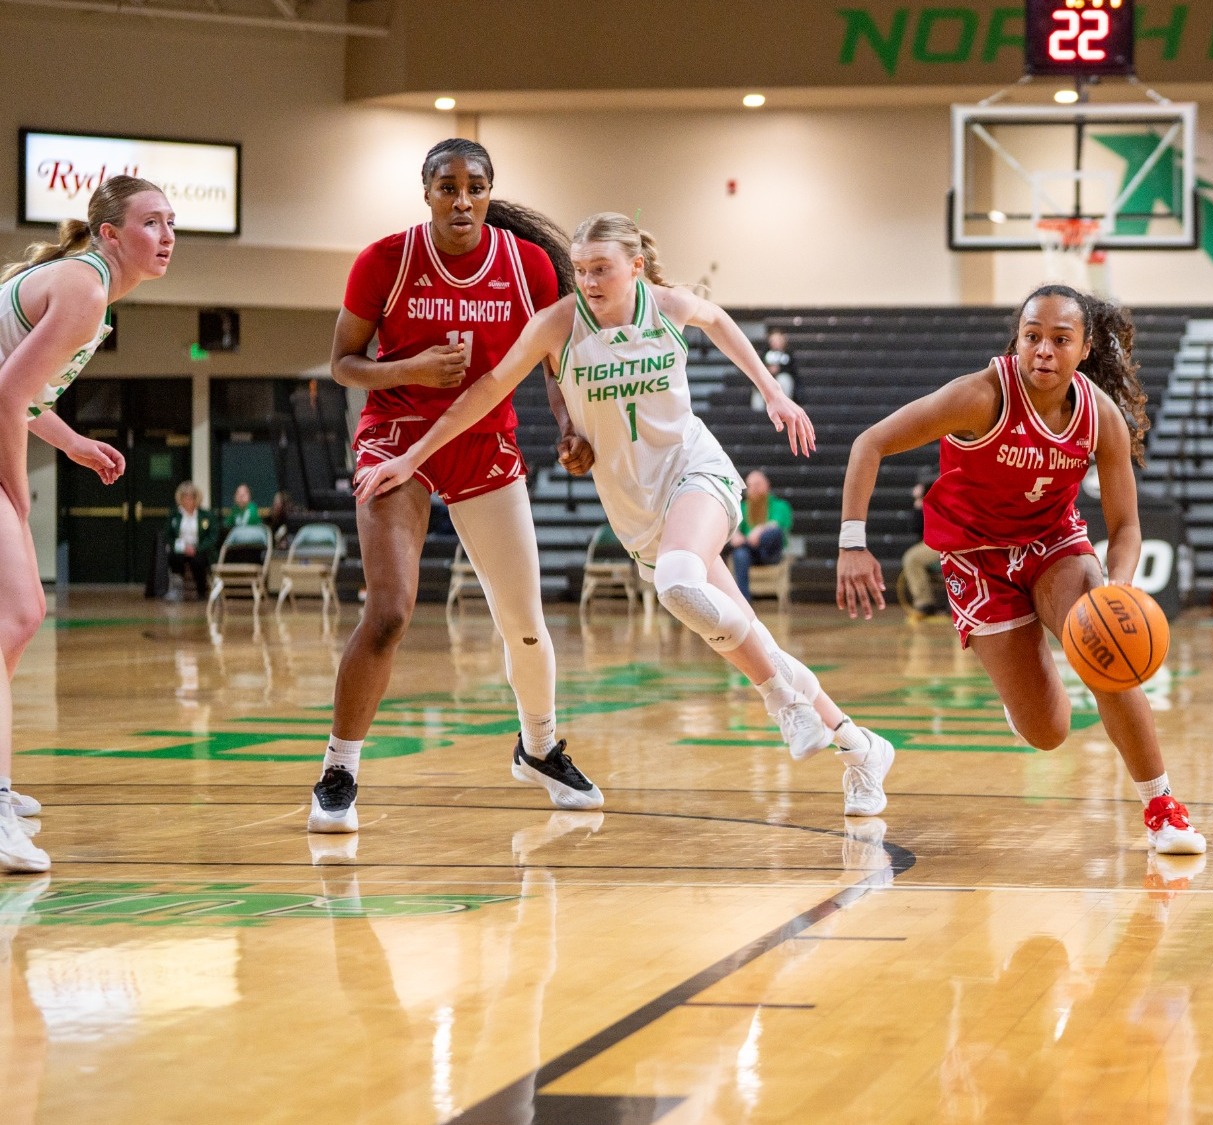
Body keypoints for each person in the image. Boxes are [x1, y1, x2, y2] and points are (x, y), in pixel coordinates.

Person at [355, 212, 895, 817]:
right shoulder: (558, 325)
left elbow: (718, 320)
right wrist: (412, 455)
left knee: (679, 584)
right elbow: (485, 392)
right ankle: (861, 747)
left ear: (635, 267)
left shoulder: (663, 305)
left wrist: (772, 390)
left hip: (695, 474)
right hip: (636, 510)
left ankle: (782, 704)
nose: (588, 281)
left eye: (602, 270)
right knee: (755, 639)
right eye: (581, 270)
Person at [834, 283, 1207, 855]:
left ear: (1083, 350)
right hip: (977, 559)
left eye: (1060, 340)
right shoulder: (978, 397)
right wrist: (852, 543)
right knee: (1049, 732)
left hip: (1053, 543)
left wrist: (1119, 590)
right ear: (1018, 339)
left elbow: (1126, 525)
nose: (1044, 351)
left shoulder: (1098, 416)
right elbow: (870, 443)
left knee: (1109, 653)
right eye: (1033, 337)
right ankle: (1023, 699)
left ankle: (1162, 808)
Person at [309, 138, 600, 836]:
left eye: (474, 185)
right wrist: (411, 370)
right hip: (396, 440)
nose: (461, 198)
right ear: (427, 193)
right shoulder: (385, 260)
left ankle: (539, 747)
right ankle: (339, 768)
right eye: (447, 186)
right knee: (390, 612)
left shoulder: (527, 265)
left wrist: (567, 424)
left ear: (490, 192)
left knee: (523, 622)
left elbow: (556, 363)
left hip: (485, 442)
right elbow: (344, 364)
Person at [0, 174, 174, 872]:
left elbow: (24, 393)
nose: (165, 237)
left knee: (17, 617)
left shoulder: (87, 290)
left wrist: (72, 444)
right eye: (151, 223)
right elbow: (8, 397)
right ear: (110, 234)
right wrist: (18, 493)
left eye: (171, 224)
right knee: (17, 614)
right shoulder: (85, 287)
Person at [728, 470, 791, 598]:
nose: (753, 489)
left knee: (773, 532)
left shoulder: (780, 505)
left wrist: (760, 530)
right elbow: (735, 529)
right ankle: (744, 602)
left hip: (770, 552)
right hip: (751, 555)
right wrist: (735, 535)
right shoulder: (742, 507)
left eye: (757, 485)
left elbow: (778, 525)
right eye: (750, 486)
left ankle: (745, 545)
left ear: (767, 485)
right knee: (739, 553)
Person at [900, 474, 942, 617]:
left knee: (913, 558)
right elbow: (917, 528)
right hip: (938, 540)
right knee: (912, 557)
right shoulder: (930, 496)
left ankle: (926, 602)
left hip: (949, 539)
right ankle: (925, 603)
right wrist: (919, 503)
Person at [164, 481, 216, 597]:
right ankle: (177, 589)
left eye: (190, 497)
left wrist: (196, 548)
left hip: (199, 549)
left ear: (196, 499)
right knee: (174, 557)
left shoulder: (205, 515)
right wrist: (182, 548)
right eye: (184, 497)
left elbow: (212, 537)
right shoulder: (174, 515)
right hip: (180, 548)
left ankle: (201, 591)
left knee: (198, 560)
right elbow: (168, 536)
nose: (187, 500)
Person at [754, 329, 798, 412]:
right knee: (759, 385)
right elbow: (758, 367)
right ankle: (759, 412)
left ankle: (783, 407)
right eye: (773, 340)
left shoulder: (788, 354)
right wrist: (768, 370)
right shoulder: (765, 353)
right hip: (767, 380)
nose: (775, 342)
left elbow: (793, 370)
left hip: (781, 381)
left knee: (784, 379)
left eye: (778, 340)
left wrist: (779, 369)